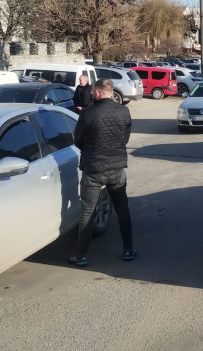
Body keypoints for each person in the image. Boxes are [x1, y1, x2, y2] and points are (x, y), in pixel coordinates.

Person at [69, 79, 135, 267]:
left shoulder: (88, 113)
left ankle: (81, 256)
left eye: (93, 92)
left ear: (97, 93)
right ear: (111, 92)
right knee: (122, 210)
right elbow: (125, 138)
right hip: (116, 168)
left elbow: (78, 141)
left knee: (87, 212)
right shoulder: (124, 111)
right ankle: (128, 249)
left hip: (93, 169)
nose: (91, 94)